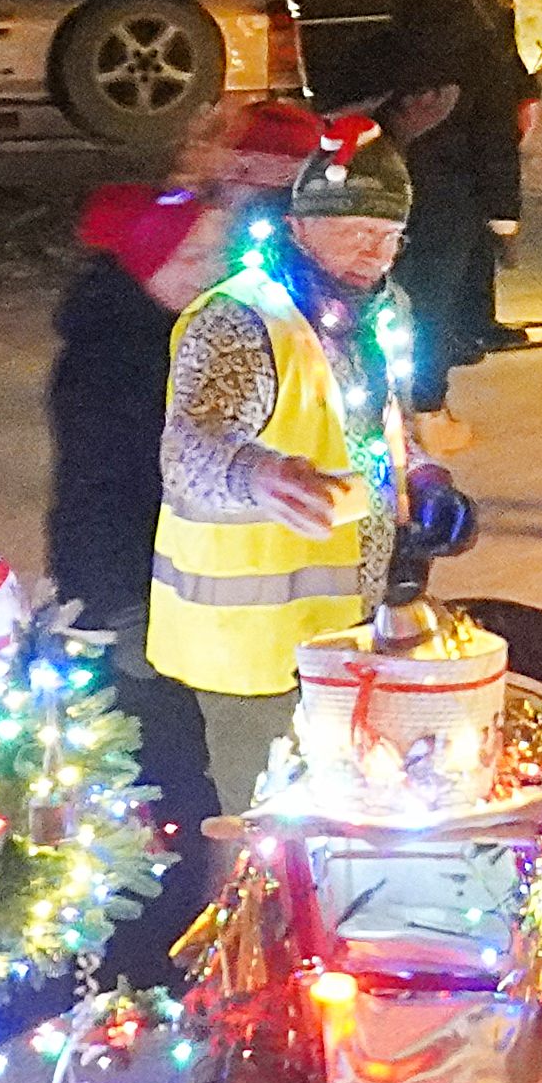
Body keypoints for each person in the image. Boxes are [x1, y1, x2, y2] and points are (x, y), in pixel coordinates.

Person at [152, 110, 468, 797]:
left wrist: (425, 479)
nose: (375, 252)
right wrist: (259, 475)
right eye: (355, 231)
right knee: (266, 830)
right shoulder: (242, 318)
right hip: (255, 654)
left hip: (354, 628)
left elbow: (383, 426)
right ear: (299, 227)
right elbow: (188, 448)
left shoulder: (382, 310)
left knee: (353, 818)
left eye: (389, 235)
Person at [47, 150, 246, 986]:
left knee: (184, 782)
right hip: (134, 604)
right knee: (161, 791)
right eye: (190, 256)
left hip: (175, 599)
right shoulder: (118, 358)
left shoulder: (178, 336)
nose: (211, 269)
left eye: (217, 253)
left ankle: (166, 956)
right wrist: (124, 609)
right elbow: (103, 495)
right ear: (144, 264)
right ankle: (146, 967)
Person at [358, 0, 532, 413]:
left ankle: (382, 397)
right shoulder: (467, 20)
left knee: (391, 292)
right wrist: (503, 209)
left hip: (399, 170)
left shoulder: (402, 11)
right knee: (432, 301)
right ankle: (426, 407)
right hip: (451, 181)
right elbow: (492, 117)